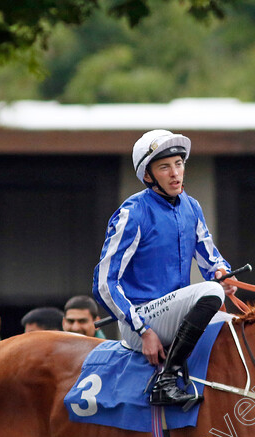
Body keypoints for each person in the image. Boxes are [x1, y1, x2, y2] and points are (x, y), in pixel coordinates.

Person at [93, 129, 235, 407]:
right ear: (148, 176)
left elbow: (211, 260)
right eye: (164, 167)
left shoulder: (191, 207)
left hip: (175, 316)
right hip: (142, 322)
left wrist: (222, 273)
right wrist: (143, 330)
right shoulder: (132, 212)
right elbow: (103, 282)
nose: (175, 173)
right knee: (210, 293)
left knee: (233, 326)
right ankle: (166, 381)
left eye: (179, 164)